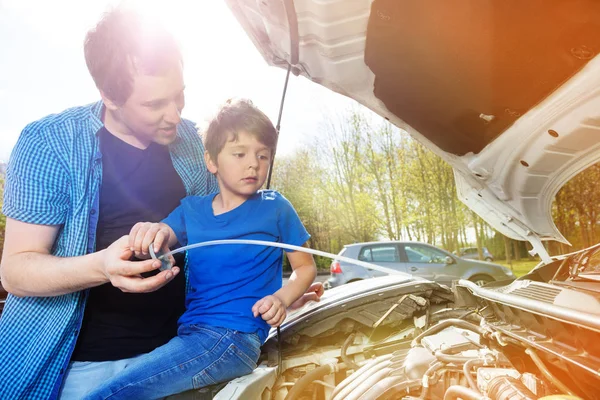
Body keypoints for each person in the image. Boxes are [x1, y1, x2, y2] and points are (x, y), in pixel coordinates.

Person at [0, 7, 323, 400]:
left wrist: (281, 290)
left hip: (186, 353)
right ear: (110, 96)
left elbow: (234, 226)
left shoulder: (194, 141)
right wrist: (101, 265)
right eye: (155, 105)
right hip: (79, 369)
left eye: (180, 95)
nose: (175, 116)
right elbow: (15, 271)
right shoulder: (48, 143)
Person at [84, 98, 317, 399]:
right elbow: (162, 234)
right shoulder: (191, 209)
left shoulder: (276, 207)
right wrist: (149, 233)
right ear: (211, 161)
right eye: (239, 153)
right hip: (190, 334)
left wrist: (281, 299)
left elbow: (305, 267)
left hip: (233, 338)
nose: (253, 164)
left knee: (113, 392)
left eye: (263, 156)